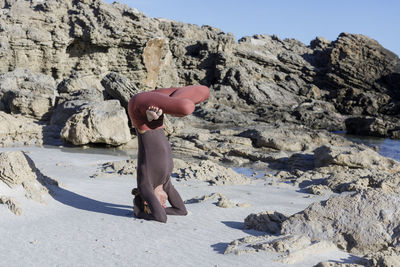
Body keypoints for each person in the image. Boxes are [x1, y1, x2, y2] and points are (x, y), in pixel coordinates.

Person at [128, 85, 210, 223]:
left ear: (148, 202)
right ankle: (157, 111)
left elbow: (161, 218)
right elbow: (181, 211)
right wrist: (161, 208)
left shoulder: (145, 185)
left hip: (139, 110)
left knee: (186, 107)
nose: (165, 204)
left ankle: (152, 114)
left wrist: (138, 212)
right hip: (153, 107)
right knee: (204, 92)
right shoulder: (165, 184)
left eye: (161, 205)